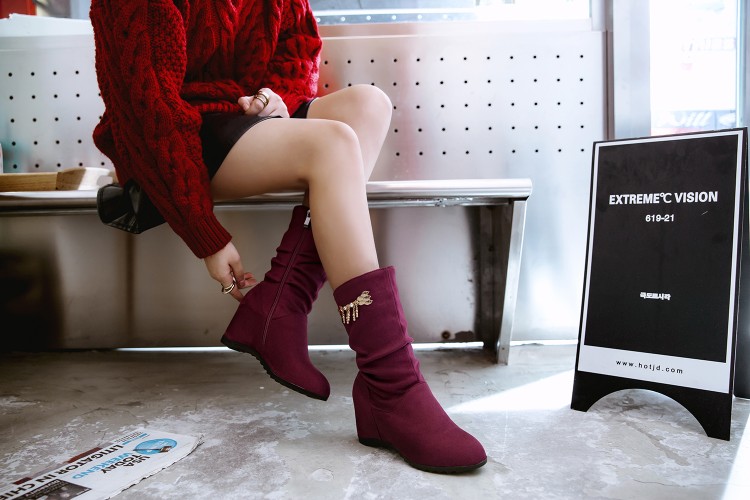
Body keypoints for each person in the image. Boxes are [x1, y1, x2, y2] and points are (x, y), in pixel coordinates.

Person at [90, 0, 486, 473]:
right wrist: (204, 233)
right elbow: (147, 108)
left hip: (240, 116)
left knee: (367, 105)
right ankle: (392, 387)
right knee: (333, 144)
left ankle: (281, 302)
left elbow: (297, 47)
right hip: (168, 137)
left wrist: (273, 96)